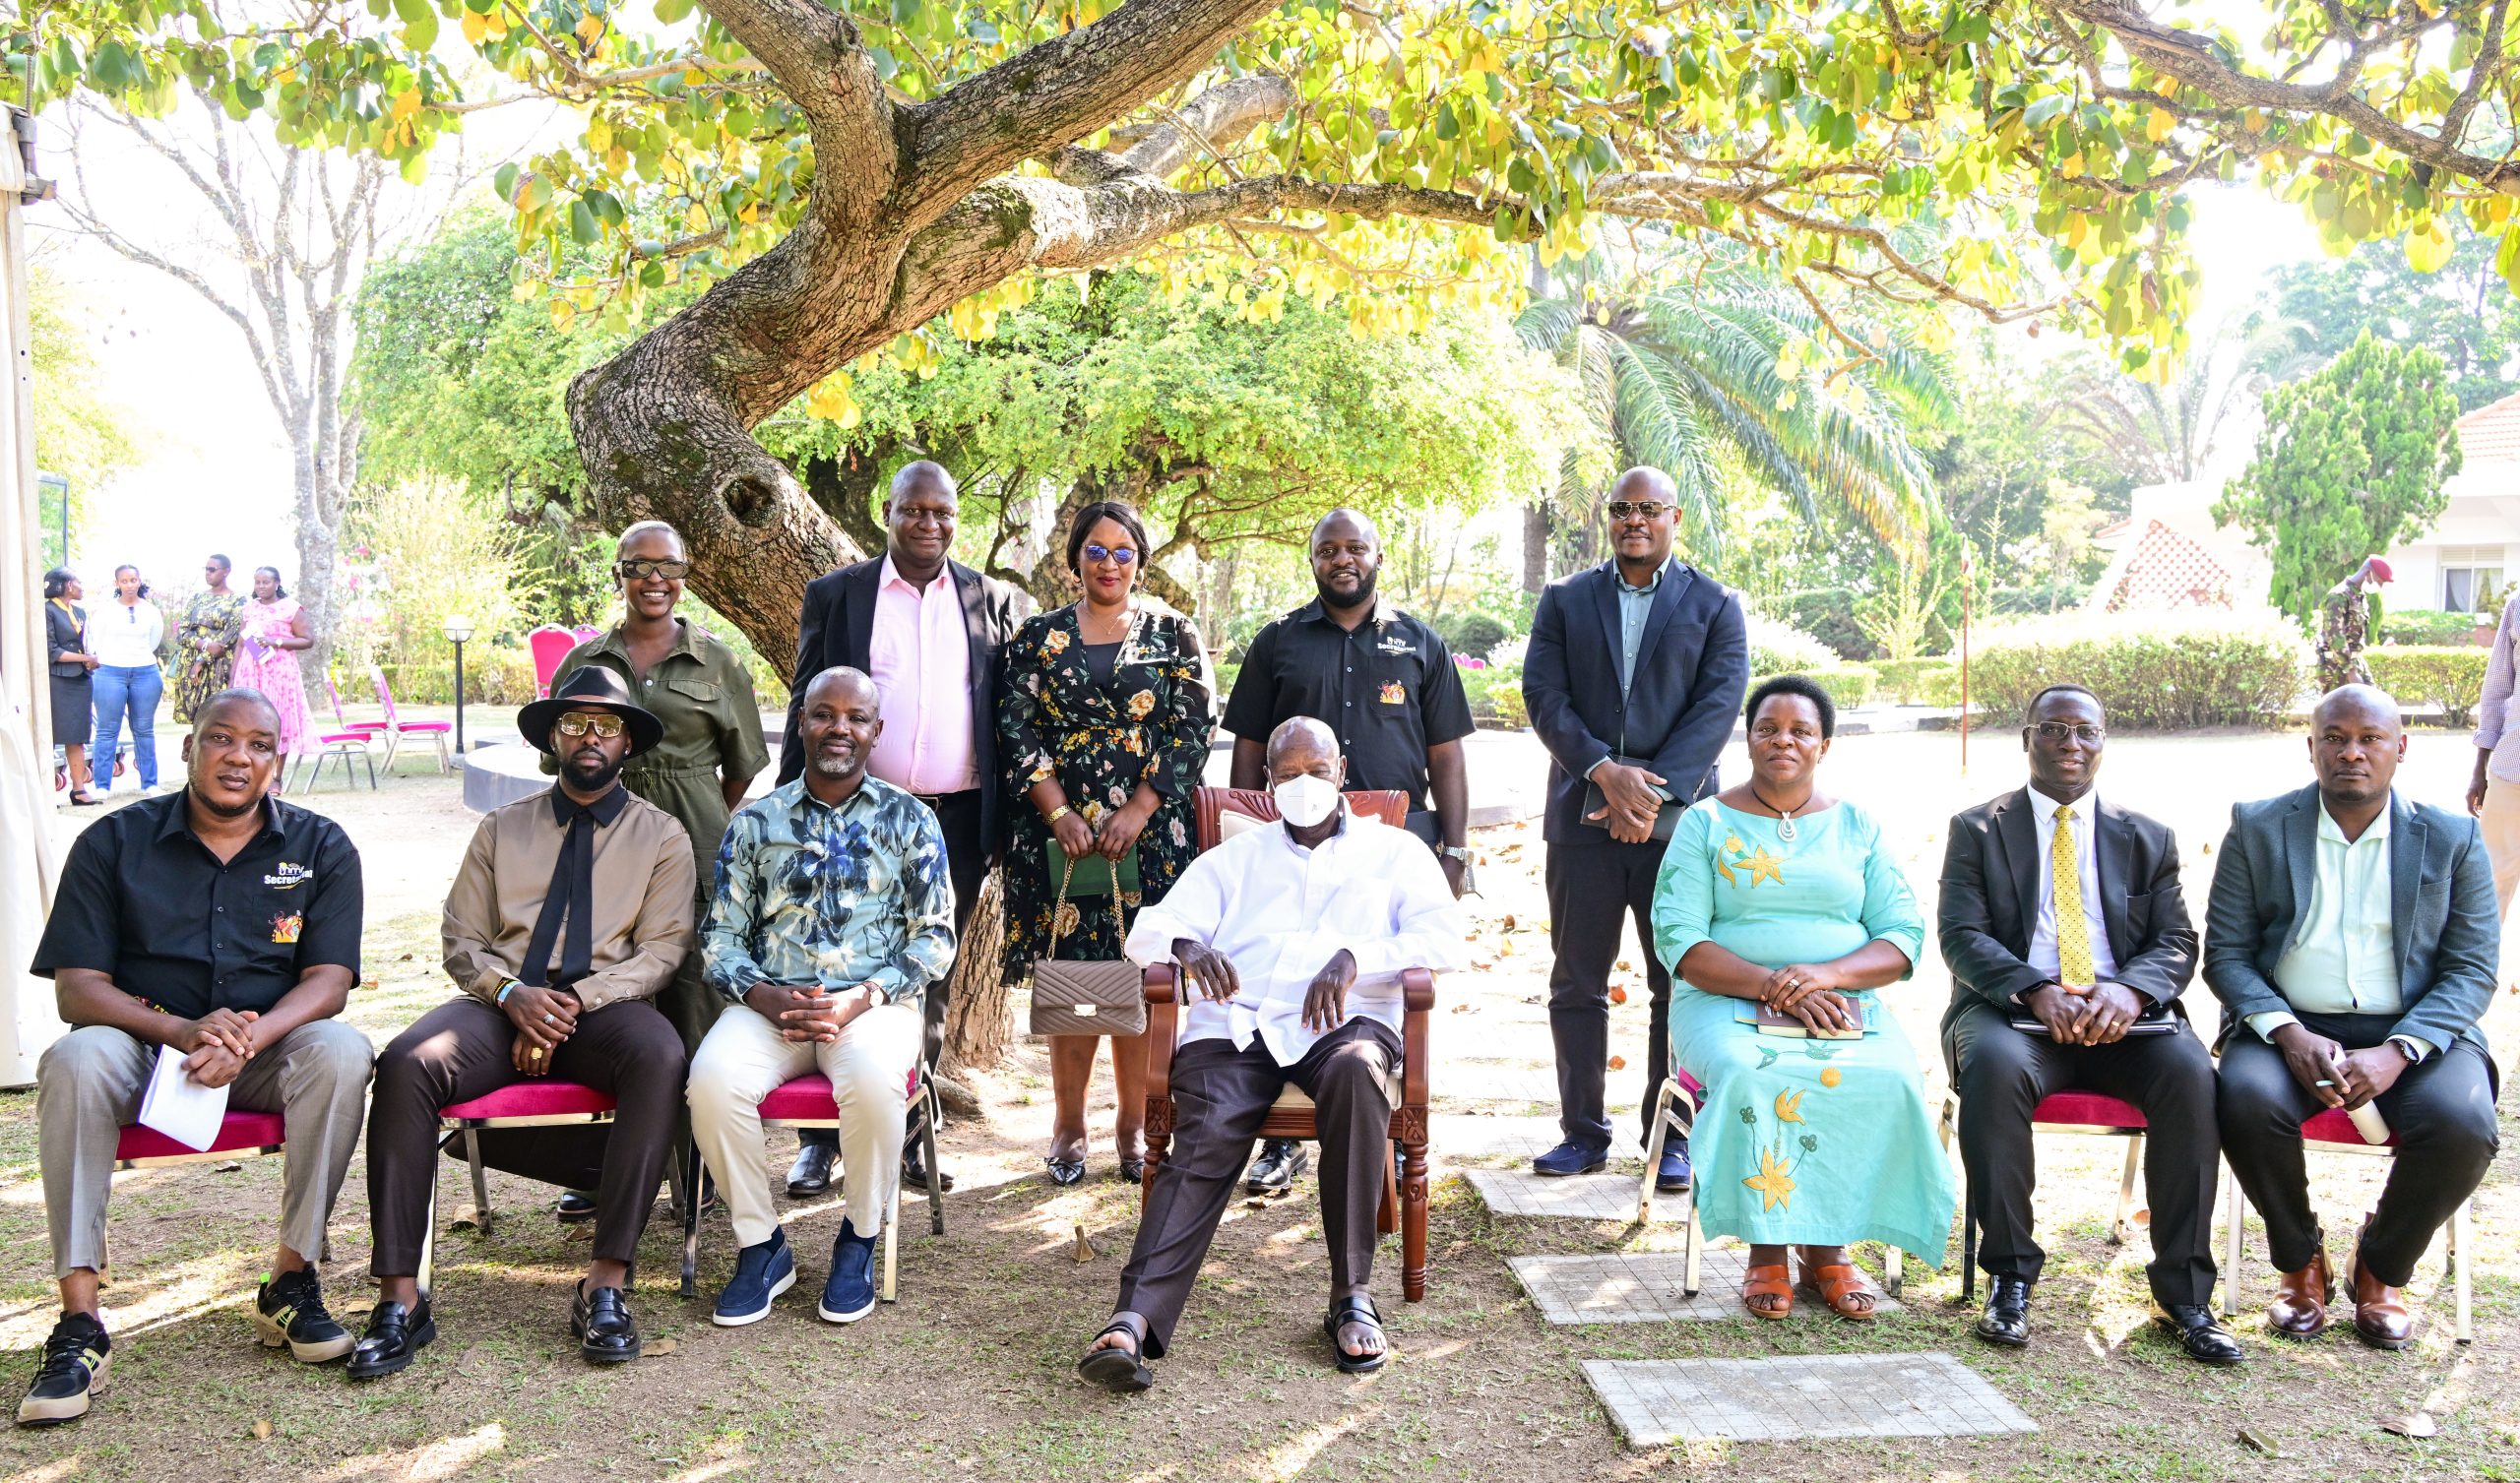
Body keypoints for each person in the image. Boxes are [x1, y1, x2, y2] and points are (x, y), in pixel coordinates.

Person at [1077, 718, 1468, 1390]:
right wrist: (1187, 948)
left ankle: (1351, 1294)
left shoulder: (1397, 853)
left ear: (1341, 770)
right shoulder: (1236, 858)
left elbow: (1444, 942)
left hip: (1347, 1024)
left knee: (1355, 1072)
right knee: (1206, 1126)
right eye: (1288, 775)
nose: (1305, 786)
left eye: (1316, 771)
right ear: (1268, 783)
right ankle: (1132, 1318)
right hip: (1239, 1025)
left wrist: (1355, 958)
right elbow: (1152, 928)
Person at [20, 690, 372, 1426]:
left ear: (278, 758)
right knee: (74, 1059)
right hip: (143, 1046)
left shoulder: (322, 845)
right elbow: (78, 989)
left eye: (259, 745)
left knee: (343, 1050)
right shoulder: (114, 841)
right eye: (221, 738)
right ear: (189, 747)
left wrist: (250, 1035)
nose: (238, 756)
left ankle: (291, 1282)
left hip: (264, 1048)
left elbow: (329, 982)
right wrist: (180, 1030)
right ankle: (80, 1322)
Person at [349, 668, 694, 1377]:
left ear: (627, 740)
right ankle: (399, 1296)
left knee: (660, 1054)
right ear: (552, 738)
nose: (589, 737)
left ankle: (605, 1283)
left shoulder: (661, 836)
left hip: (602, 1011)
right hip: (497, 1004)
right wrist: (513, 996)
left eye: (606, 725)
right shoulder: (502, 829)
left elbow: (663, 951)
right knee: (410, 1061)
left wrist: (570, 1005)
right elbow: (460, 937)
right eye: (574, 724)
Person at [1936, 685, 2240, 1363]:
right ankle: (2011, 1275)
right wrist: (2035, 990)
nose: (2071, 744)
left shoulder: (2147, 835)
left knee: (2193, 1074)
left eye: (2086, 732)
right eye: (2054, 729)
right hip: (2013, 1018)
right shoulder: (1977, 829)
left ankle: (2183, 1292)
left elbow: (2175, 941)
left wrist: (2129, 993)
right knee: (1992, 1068)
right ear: (2027, 738)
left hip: (2122, 1022)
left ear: (2104, 743)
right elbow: (1961, 934)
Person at [2204, 684, 2502, 1349]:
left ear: (2401, 747)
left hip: (2417, 1029)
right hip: (2288, 1023)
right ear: (2312, 748)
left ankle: (2382, 1266)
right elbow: (2225, 955)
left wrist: (2399, 1050)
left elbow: (2472, 969)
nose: (2352, 753)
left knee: (2464, 1123)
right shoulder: (2258, 826)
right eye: (2335, 738)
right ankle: (2297, 1261)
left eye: (2370, 738)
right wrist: (2286, 1030)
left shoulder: (2453, 837)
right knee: (2244, 1098)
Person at [1650, 676, 1952, 1322]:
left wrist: (1826, 976)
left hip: (1839, 1000)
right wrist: (1773, 986)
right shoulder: (1704, 822)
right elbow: (1679, 938)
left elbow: (1901, 935)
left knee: (1890, 1076)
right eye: (1768, 728)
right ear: (1748, 738)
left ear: (1824, 745)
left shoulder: (1858, 825)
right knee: (1752, 1071)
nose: (1783, 739)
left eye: (1801, 730)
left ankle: (1829, 1250)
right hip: (1723, 998)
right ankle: (1767, 1250)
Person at [779, 462, 1028, 1199]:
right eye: (913, 510)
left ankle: (913, 1129)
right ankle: (821, 1142)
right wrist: (795, 806)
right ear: (887, 513)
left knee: (930, 972)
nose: (929, 524)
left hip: (954, 817)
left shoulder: (992, 599)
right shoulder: (839, 594)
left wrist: (1007, 825)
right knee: (831, 957)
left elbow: (1004, 716)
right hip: (854, 814)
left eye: (942, 512)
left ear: (957, 517)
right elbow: (807, 699)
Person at [1220, 509, 1477, 1198]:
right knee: (1285, 978)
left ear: (1378, 555)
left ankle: (1387, 1128)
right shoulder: (1277, 642)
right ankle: (1280, 1144)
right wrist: (1245, 837)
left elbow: (1446, 754)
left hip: (1394, 854)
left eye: (1355, 547)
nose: (1342, 558)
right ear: (1311, 560)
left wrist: (1455, 851)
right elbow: (1248, 750)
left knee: (1388, 991)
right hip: (1293, 848)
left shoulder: (1421, 644)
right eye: (1328, 548)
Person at [690, 668, 958, 1327]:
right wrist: (763, 994)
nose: (840, 727)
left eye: (856, 717)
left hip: (872, 1009)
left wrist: (863, 997)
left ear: (875, 732)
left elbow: (935, 939)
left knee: (871, 1078)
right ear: (801, 723)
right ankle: (762, 1245)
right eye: (824, 714)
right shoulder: (756, 821)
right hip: (770, 1008)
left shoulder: (910, 818)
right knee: (710, 1080)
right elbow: (719, 935)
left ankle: (858, 1239)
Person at [1522, 467, 1748, 1189]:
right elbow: (1544, 695)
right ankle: (1583, 1133)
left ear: (1674, 516)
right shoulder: (1563, 600)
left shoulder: (1716, 604)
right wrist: (1600, 770)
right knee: (1576, 982)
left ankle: (1671, 1136)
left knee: (1675, 982)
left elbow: (1718, 705)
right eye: (1622, 508)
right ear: (1607, 518)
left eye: (1649, 508)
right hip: (1579, 821)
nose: (1634, 519)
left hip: (1676, 826)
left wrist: (1646, 794)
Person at [997, 499, 1213, 1186]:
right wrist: (1057, 808)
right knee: (1075, 980)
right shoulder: (1039, 636)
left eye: (1124, 551)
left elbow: (1194, 729)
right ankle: (1068, 1124)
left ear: (1141, 562)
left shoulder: (1174, 634)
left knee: (1141, 977)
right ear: (1075, 559)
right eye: (1096, 549)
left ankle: (1132, 1123)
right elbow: (1015, 725)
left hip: (1147, 837)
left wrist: (1141, 806)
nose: (1110, 562)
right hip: (1060, 836)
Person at [550, 522, 770, 1056]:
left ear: (685, 576)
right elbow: (560, 759)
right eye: (639, 566)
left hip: (698, 846)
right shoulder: (582, 664)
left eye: (669, 566)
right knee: (607, 980)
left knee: (697, 990)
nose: (655, 578)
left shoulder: (720, 663)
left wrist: (697, 804)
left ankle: (699, 1135)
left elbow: (741, 767)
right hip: (600, 843)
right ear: (618, 573)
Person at [2465, 586, 2520, 929]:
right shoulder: (2518, 606)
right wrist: (2478, 771)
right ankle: (2477, 975)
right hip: (2513, 767)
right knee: (2491, 878)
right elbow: (2497, 692)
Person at [90, 564, 167, 798]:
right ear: (117, 584)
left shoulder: (151, 611)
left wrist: (137, 657)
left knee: (143, 729)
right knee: (107, 729)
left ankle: (149, 783)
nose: (130, 585)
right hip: (110, 671)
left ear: (139, 581)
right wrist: (115, 658)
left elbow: (154, 641)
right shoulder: (105, 611)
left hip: (144, 671)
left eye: (133, 580)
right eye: (124, 581)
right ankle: (102, 786)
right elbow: (98, 640)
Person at [227, 566, 316, 771]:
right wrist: (233, 676)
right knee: (249, 719)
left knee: (277, 719)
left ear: (277, 583)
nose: (261, 586)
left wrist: (274, 641)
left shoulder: (291, 608)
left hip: (280, 672)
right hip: (250, 671)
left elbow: (307, 640)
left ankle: (276, 775)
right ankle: (251, 769)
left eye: (265, 582)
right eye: (257, 582)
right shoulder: (249, 608)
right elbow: (241, 643)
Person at [43, 568, 101, 806]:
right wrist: (84, 658)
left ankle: (78, 790)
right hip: (58, 678)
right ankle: (45, 792)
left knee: (76, 736)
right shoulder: (47, 610)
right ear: (68, 585)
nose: (81, 585)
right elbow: (51, 651)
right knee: (50, 735)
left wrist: (90, 659)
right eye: (78, 581)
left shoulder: (79, 611)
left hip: (80, 678)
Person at [171, 553, 246, 725]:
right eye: (206, 569)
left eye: (212, 569)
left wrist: (201, 660)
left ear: (226, 571)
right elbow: (182, 632)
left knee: (218, 719)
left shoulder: (238, 600)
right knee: (196, 721)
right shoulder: (196, 598)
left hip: (217, 666)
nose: (208, 573)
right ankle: (193, 752)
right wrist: (203, 645)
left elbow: (227, 638)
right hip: (190, 664)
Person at [2316, 556, 2391, 692]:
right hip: (2336, 668)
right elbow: (2335, 636)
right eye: (2380, 581)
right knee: (2340, 711)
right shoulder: (2338, 596)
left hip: (2355, 663)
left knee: (2373, 706)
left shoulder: (2358, 597)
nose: (2380, 587)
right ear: (2368, 573)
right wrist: (2351, 673)